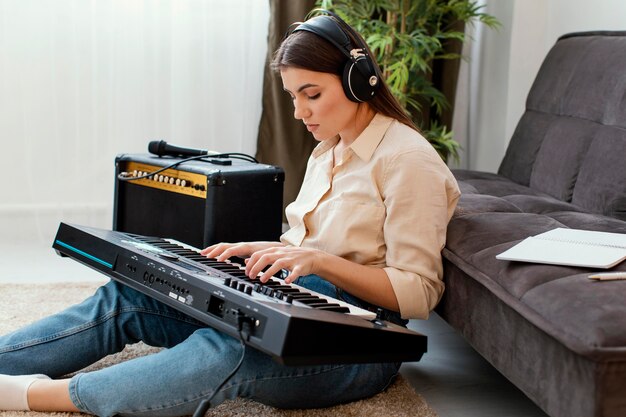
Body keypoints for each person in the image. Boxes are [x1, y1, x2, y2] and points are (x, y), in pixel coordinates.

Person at [0, 12, 460, 417]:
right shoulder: (329, 150)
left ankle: (37, 396)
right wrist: (267, 251)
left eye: (312, 94)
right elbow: (309, 248)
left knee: (223, 349)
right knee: (130, 296)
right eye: (292, 96)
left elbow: (417, 294)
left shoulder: (407, 160)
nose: (299, 112)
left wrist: (319, 263)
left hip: (359, 347)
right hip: (293, 305)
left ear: (358, 80)